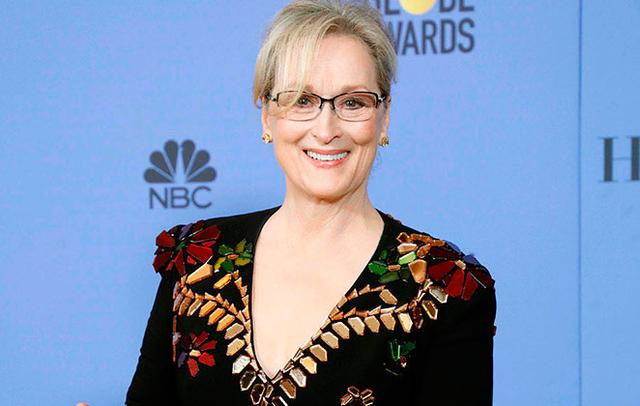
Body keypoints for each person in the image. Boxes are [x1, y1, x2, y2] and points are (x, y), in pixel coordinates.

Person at [124, 0, 497, 405]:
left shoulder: (443, 285)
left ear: (384, 116)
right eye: (302, 100)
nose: (326, 129)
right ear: (267, 115)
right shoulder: (196, 259)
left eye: (353, 102)